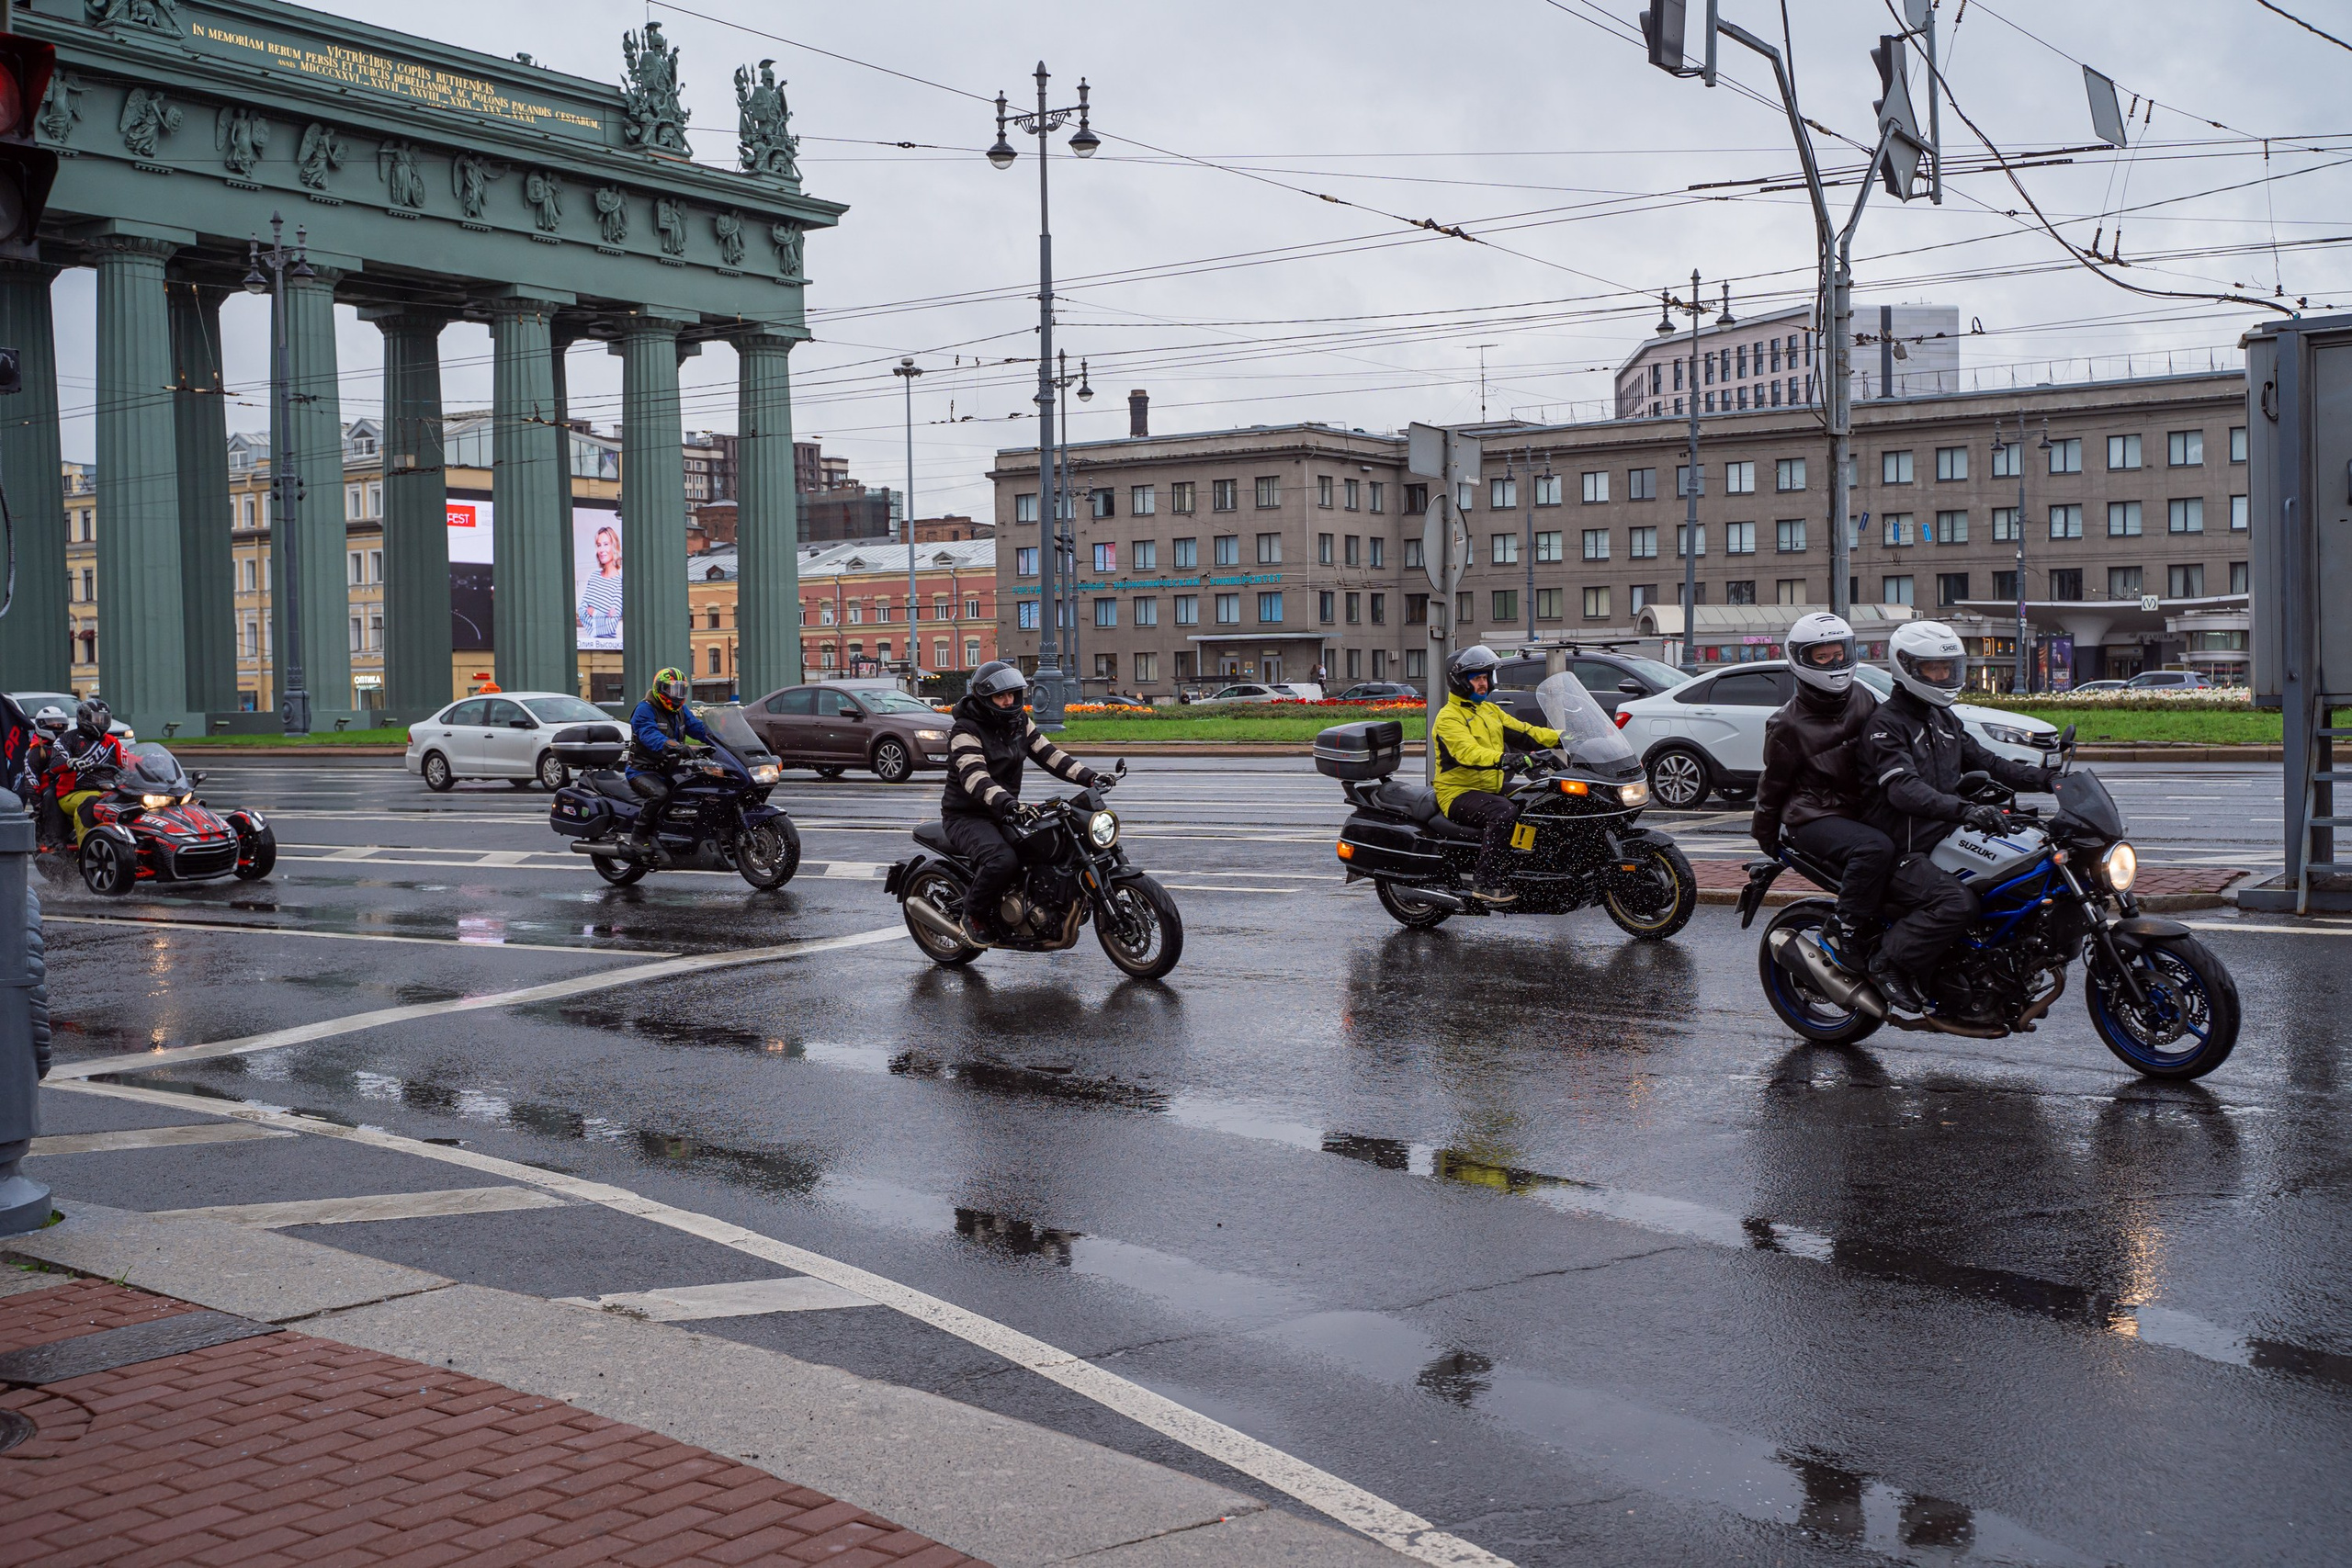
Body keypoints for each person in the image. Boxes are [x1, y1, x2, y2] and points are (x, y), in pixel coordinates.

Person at [1858, 620, 2057, 1013]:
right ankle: (1887, 961)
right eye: (1934, 669)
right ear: (1907, 668)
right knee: (1957, 904)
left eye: (1949, 668)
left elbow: (1990, 761)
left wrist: (2051, 779)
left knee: (2020, 878)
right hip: (1903, 844)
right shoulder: (1886, 725)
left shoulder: (1942, 718)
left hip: (1944, 836)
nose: (1944, 676)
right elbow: (1904, 789)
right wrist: (1967, 810)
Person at [1751, 613, 1892, 970]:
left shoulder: (1861, 696)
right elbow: (1773, 783)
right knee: (1875, 849)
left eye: (1839, 654)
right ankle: (1841, 931)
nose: (1835, 663)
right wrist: (1766, 835)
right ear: (1801, 659)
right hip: (1815, 815)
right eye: (1822, 657)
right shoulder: (1788, 723)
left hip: (1858, 807)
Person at [941, 660, 1108, 944]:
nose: (1008, 702)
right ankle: (972, 915)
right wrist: (1008, 803)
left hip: (1005, 810)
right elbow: (975, 779)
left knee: (1052, 844)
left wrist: (1090, 778)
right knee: (1001, 860)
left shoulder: (1018, 723)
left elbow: (1050, 755)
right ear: (985, 698)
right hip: (967, 816)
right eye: (1000, 696)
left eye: (1012, 695)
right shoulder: (965, 730)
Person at [1431, 645, 1560, 906]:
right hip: (1457, 793)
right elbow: (1467, 753)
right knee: (1503, 812)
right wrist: (1505, 759)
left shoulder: (1489, 711)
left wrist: (1565, 738)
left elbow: (1525, 732)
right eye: (1477, 678)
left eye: (1486, 677)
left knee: (1537, 799)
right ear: (1461, 681)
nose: (1484, 683)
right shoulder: (1448, 718)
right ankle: (1486, 882)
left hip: (1488, 787)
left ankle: (1528, 869)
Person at [623, 667, 710, 853]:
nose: (677, 695)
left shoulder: (680, 710)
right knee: (659, 794)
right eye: (672, 689)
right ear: (660, 688)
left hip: (669, 769)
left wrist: (720, 737)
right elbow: (649, 735)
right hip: (642, 770)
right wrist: (675, 746)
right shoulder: (645, 709)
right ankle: (638, 837)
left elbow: (697, 728)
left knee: (696, 787)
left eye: (681, 689)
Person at [47, 698, 131, 848]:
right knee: (91, 803)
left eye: (105, 719)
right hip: (72, 793)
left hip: (108, 792)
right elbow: (55, 763)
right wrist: (71, 762)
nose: (102, 723)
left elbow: (129, 761)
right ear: (84, 718)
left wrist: (153, 763)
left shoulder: (112, 742)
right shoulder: (67, 739)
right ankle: (86, 851)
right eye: (98, 719)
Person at [577, 525, 624, 647]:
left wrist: (593, 612)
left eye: (606, 544)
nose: (602, 550)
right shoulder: (594, 576)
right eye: (599, 545)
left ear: (615, 546)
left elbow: (611, 624)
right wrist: (603, 615)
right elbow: (581, 611)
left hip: (610, 647)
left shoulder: (620, 583)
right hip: (590, 644)